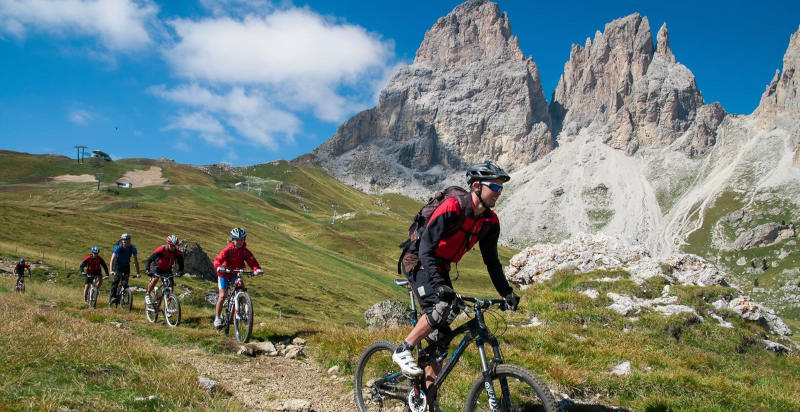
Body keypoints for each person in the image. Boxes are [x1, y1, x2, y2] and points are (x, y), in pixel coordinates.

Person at [392, 161, 520, 384]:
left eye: (502, 188)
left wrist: (506, 292)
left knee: (440, 339)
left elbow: (491, 261)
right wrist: (439, 284)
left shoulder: (490, 221)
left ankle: (426, 399)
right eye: (495, 187)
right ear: (477, 186)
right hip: (418, 259)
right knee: (441, 306)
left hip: (440, 265)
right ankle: (403, 349)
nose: (499, 193)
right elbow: (426, 247)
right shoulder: (453, 206)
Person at [212, 227, 263, 328]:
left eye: (241, 240)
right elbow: (218, 259)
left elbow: (252, 261)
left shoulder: (245, 251)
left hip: (235, 274)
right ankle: (217, 318)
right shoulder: (228, 250)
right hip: (224, 274)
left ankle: (240, 313)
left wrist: (257, 269)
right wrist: (219, 267)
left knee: (241, 291)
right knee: (223, 295)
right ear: (232, 240)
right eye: (237, 240)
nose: (239, 242)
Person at [144, 235, 184, 306]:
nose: (173, 248)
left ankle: (168, 308)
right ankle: (148, 294)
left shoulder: (177, 252)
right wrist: (147, 269)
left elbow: (181, 263)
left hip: (167, 270)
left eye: (175, 246)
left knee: (170, 288)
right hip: (157, 268)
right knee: (155, 279)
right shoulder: (162, 249)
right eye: (171, 245)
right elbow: (149, 259)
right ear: (168, 244)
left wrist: (181, 271)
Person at [109, 233, 141, 303]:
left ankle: (124, 297)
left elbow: (136, 261)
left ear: (129, 240)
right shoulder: (118, 247)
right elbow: (112, 259)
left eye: (126, 240)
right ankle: (112, 297)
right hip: (117, 265)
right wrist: (111, 270)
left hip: (126, 265)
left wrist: (138, 273)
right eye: (123, 240)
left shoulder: (132, 248)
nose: (124, 241)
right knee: (116, 281)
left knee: (125, 283)